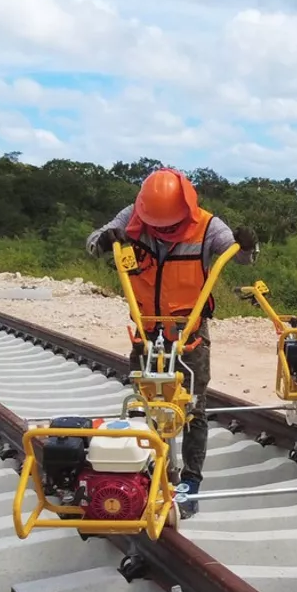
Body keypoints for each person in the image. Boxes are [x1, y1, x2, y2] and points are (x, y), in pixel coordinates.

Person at [84, 168, 258, 517]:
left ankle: (189, 482)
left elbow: (241, 256)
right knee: (142, 405)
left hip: (188, 331)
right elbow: (92, 243)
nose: (161, 231)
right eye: (155, 225)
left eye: (169, 226)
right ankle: (147, 472)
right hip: (146, 329)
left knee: (193, 408)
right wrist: (104, 241)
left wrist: (249, 244)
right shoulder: (132, 217)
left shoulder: (209, 227)